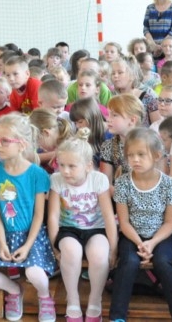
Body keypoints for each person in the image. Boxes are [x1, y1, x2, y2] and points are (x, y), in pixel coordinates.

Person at [0, 114, 57, 322]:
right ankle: (14, 290)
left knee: (35, 274)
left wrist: (28, 245)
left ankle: (44, 296)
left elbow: (39, 215)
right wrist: (2, 243)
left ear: (22, 144)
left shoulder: (37, 174)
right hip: (4, 234)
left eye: (5, 141)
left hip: (32, 235)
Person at [110, 128, 172, 322]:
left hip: (161, 237)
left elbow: (170, 223)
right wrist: (140, 243)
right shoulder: (122, 183)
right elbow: (124, 222)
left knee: (163, 263)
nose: (135, 160)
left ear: (156, 155)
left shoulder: (169, 185)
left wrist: (152, 243)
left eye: (141, 154)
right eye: (130, 155)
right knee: (129, 262)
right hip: (132, 236)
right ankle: (117, 317)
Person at [48, 128, 117, 322]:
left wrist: (113, 249)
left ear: (88, 166)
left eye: (72, 166)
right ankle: (73, 300)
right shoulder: (57, 180)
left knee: (99, 254)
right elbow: (53, 216)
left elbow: (108, 216)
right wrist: (54, 246)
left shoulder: (98, 179)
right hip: (68, 229)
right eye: (61, 165)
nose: (65, 170)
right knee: (71, 251)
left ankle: (95, 301)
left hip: (96, 229)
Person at [100, 94, 145, 185]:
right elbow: (106, 184)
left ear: (132, 120)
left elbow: (161, 178)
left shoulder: (150, 144)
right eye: (108, 114)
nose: (108, 119)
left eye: (114, 115)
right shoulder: (108, 146)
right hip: (117, 192)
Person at [110, 57, 160, 126]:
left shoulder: (149, 97)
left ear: (132, 75)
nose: (115, 76)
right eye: (113, 73)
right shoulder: (113, 97)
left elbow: (157, 126)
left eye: (120, 72)